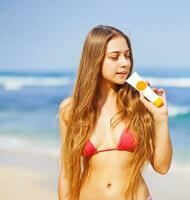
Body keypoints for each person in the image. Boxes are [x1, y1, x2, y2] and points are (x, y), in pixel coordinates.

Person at [58, 25, 173, 200]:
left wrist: (161, 118)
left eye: (127, 56)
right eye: (115, 57)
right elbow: (68, 173)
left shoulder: (139, 101)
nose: (125, 63)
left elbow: (162, 166)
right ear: (95, 59)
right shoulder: (71, 110)